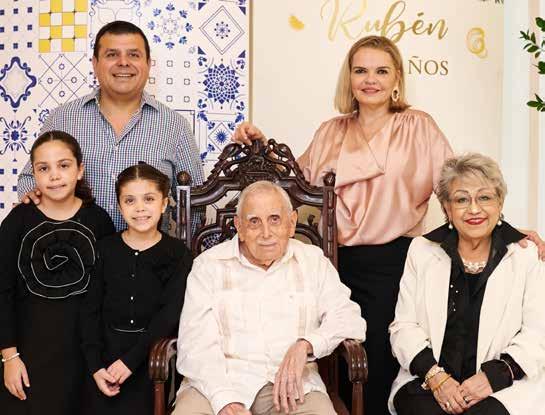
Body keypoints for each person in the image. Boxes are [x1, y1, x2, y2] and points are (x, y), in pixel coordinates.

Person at [234, 36, 545, 414]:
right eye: (360, 71)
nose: (371, 80)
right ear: (348, 78)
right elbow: (293, 187)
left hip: (393, 267)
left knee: (379, 366)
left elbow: (460, 190)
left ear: (397, 78)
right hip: (335, 265)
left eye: (381, 71)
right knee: (337, 365)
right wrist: (260, 148)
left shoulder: (418, 127)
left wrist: (509, 232)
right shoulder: (330, 131)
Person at [172, 181, 366, 415]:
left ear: (291, 223)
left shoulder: (313, 261)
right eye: (254, 222)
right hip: (217, 382)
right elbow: (194, 344)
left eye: (275, 219)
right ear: (239, 226)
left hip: (292, 385)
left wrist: (307, 344)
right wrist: (224, 400)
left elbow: (349, 319)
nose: (266, 233)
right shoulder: (208, 266)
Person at [389, 153, 545, 415]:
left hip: (503, 387)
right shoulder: (422, 251)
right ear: (447, 208)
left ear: (500, 203)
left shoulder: (526, 255)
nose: (474, 209)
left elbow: (538, 333)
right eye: (462, 199)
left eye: (485, 198)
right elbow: (403, 327)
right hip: (431, 381)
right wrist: (436, 378)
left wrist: (492, 378)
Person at [17, 20, 204, 232]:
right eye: (112, 54)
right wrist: (34, 201)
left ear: (148, 64)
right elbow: (28, 179)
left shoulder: (175, 126)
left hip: (146, 252)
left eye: (134, 55)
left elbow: (194, 204)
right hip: (73, 249)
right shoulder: (62, 118)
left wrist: (184, 248)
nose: (123, 62)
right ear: (95, 63)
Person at [0, 131, 115, 414]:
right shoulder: (18, 220)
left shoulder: (99, 220)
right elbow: (2, 290)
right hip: (28, 356)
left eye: (63, 165)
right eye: (44, 168)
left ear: (80, 170)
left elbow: (108, 294)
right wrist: (9, 357)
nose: (54, 176)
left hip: (84, 356)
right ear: (34, 175)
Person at [80, 163, 193, 414]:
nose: (140, 208)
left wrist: (130, 362)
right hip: (102, 360)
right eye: (130, 200)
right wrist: (95, 367)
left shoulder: (178, 255)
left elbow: (168, 316)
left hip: (150, 361)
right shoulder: (104, 249)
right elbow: (89, 312)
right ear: (120, 206)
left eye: (149, 199)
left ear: (164, 204)